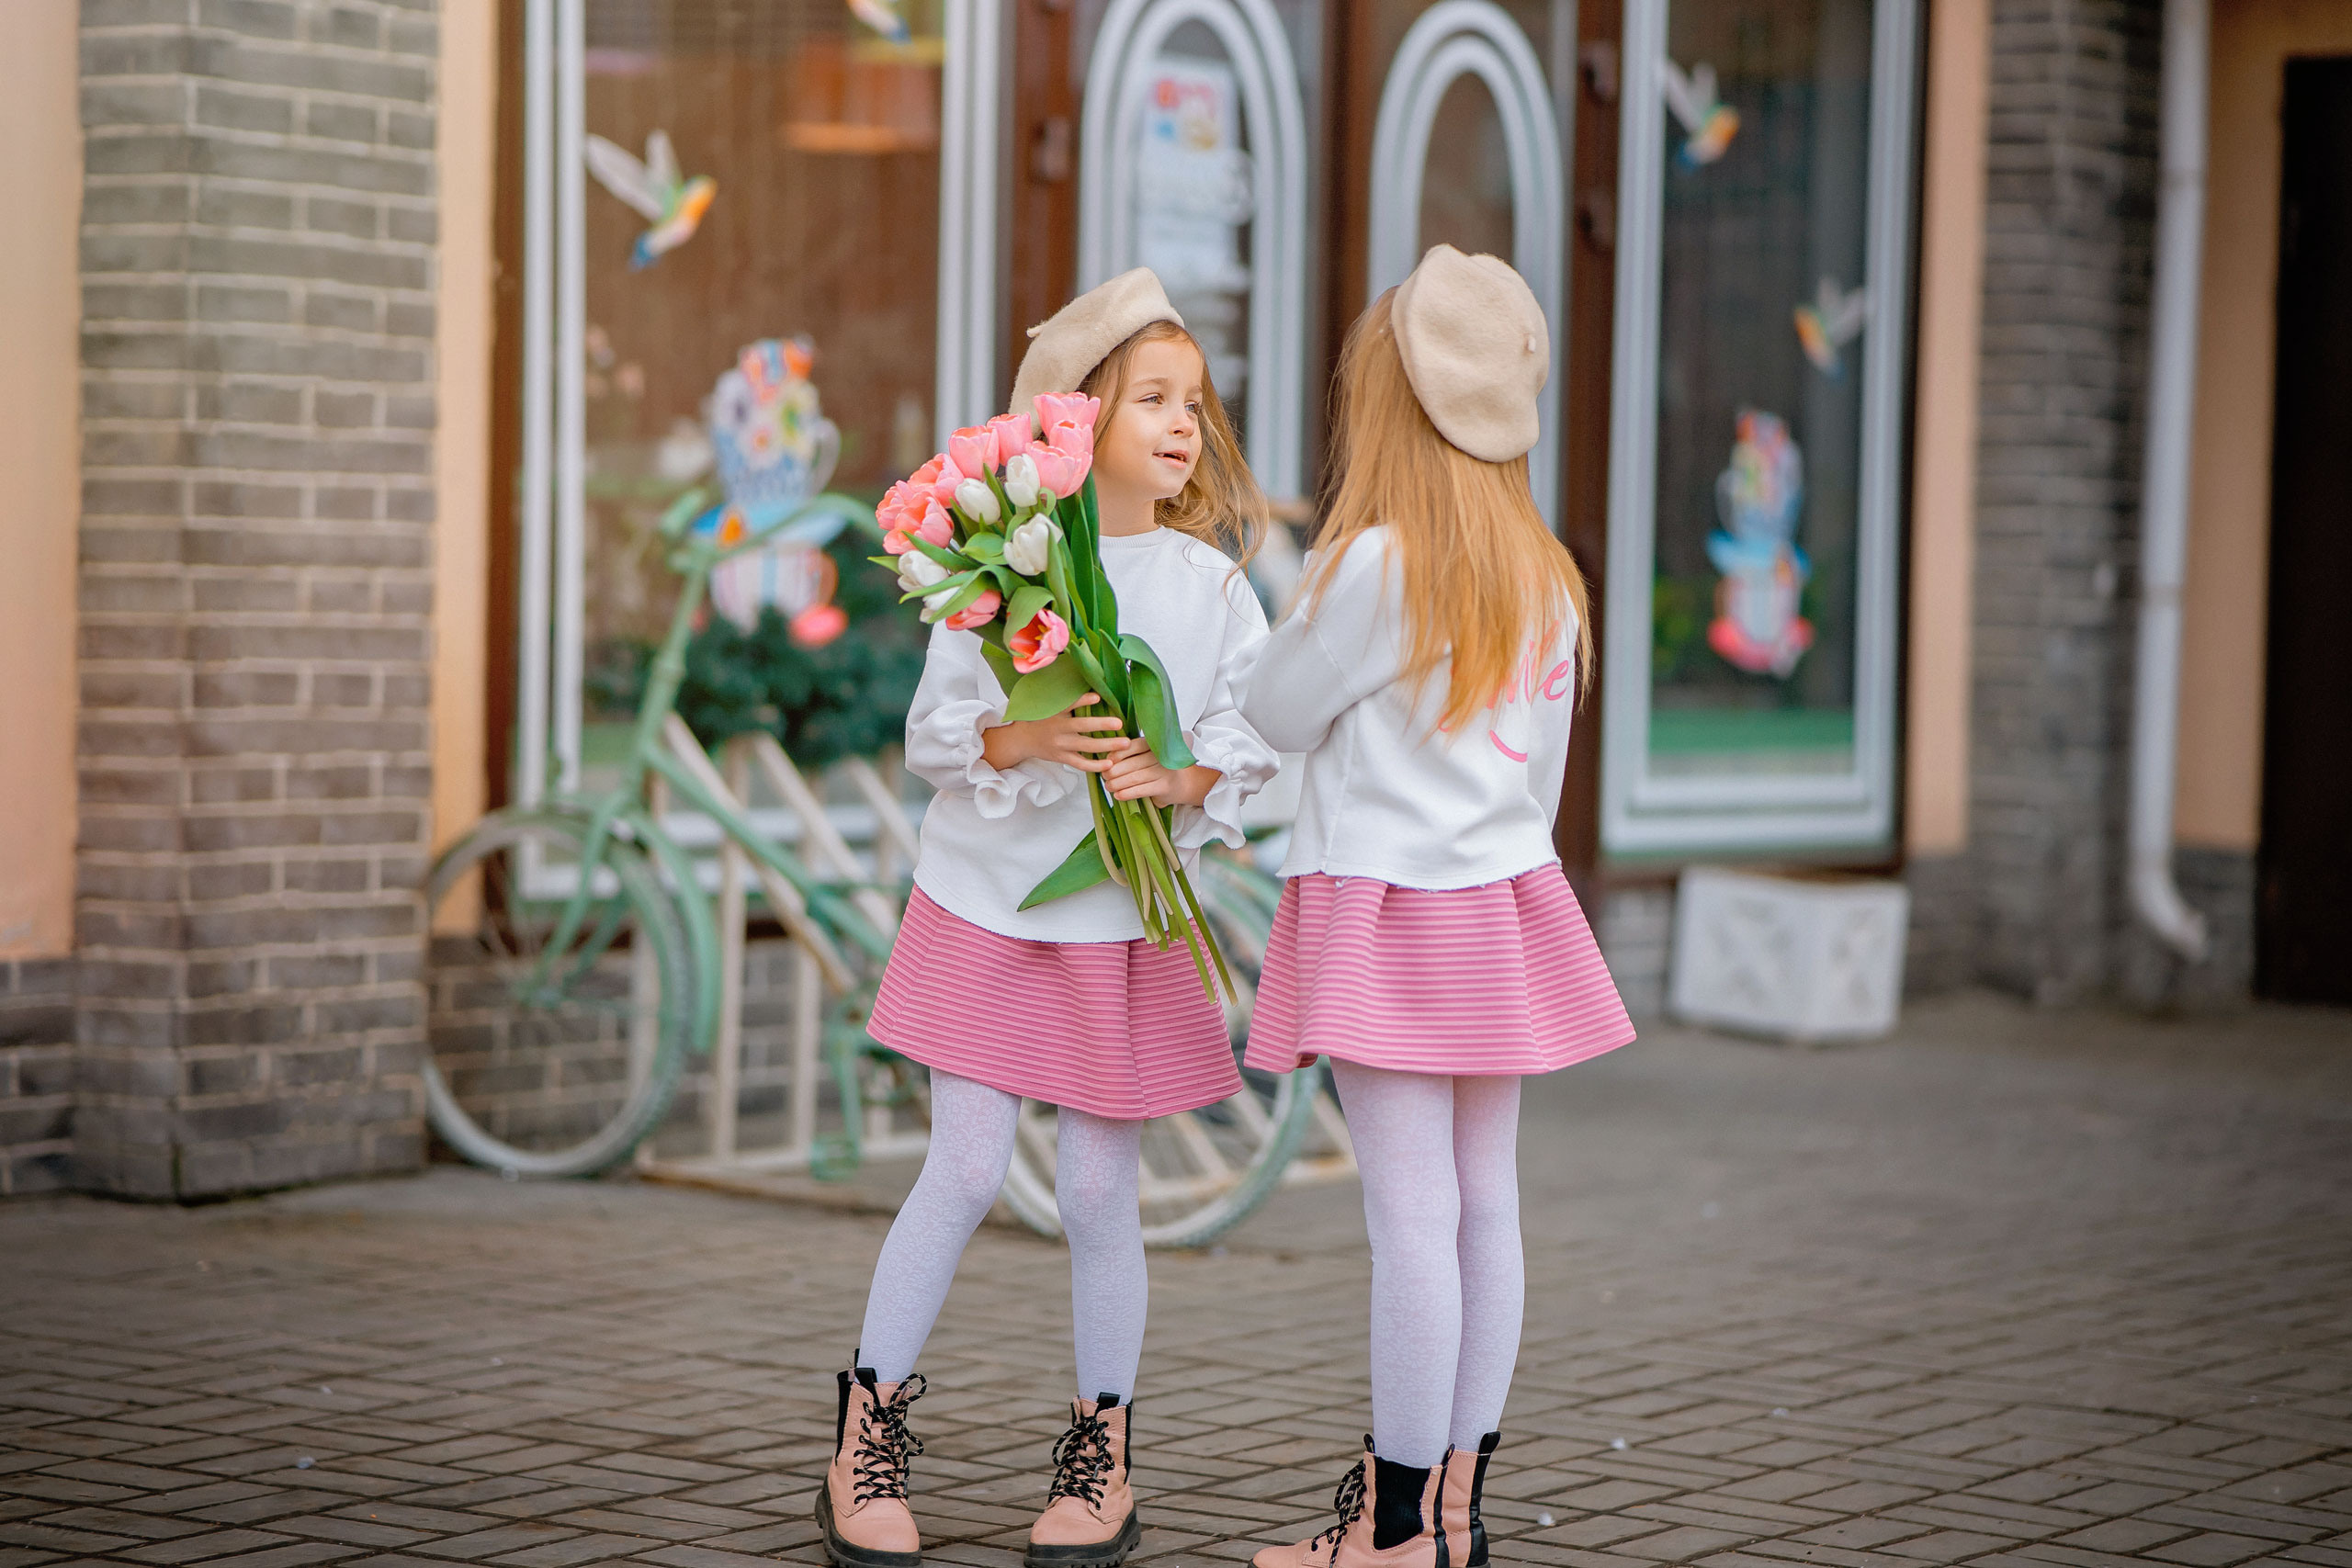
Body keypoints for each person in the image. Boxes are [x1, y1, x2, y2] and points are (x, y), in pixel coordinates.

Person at [818, 268, 1277, 1568]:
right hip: (984, 903)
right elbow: (931, 732)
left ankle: (1101, 1454)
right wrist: (1023, 739)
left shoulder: (1211, 587)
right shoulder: (1001, 560)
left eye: (1194, 401)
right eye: (1152, 398)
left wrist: (1179, 775)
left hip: (1121, 923)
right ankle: (864, 1432)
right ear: (1077, 417)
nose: (1183, 423)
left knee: (1096, 1191)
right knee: (963, 1169)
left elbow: (1252, 738)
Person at [1240, 246, 1635, 1568]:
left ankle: (1395, 1530)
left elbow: (1276, 712)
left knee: (1407, 1217)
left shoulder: (1372, 567)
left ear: (1390, 403)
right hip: (1502, 907)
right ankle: (1452, 1515)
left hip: (1388, 913)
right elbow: (1549, 784)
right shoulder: (1550, 578)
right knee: (1484, 1205)